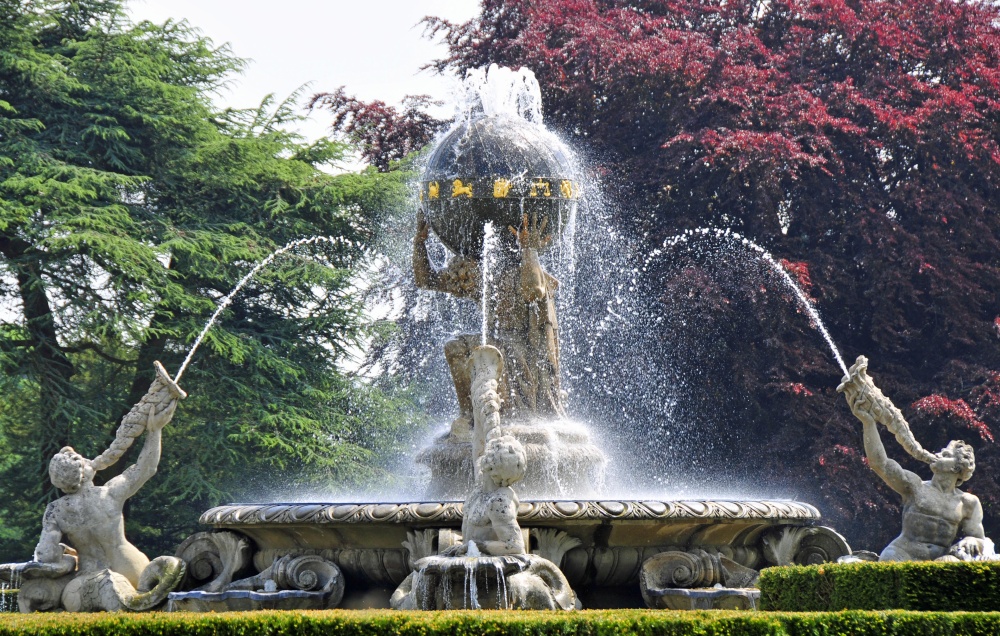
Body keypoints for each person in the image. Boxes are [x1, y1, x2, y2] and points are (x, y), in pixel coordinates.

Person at [413, 210, 564, 430]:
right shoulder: (483, 275)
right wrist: (419, 242)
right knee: (455, 346)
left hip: (526, 351)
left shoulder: (529, 271)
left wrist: (528, 248)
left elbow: (534, 291)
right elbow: (426, 280)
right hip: (498, 344)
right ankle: (468, 417)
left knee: (484, 349)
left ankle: (493, 414)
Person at [839, 356, 990, 561]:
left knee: (951, 563)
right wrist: (868, 423)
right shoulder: (916, 486)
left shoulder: (968, 503)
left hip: (941, 559)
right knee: (890, 561)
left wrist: (971, 541)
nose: (938, 454)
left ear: (958, 468)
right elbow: (880, 464)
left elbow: (979, 538)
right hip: (903, 553)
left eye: (945, 455)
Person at [34, 397, 178, 601]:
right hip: (129, 567)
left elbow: (45, 555)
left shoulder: (55, 511)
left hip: (87, 578)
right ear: (84, 472)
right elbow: (146, 468)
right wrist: (154, 431)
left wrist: (65, 553)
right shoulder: (108, 493)